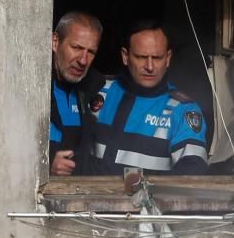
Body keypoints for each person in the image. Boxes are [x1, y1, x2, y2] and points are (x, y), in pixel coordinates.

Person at [82, 20, 210, 176]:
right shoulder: (100, 90)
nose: (149, 67)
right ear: (125, 56)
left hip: (147, 200)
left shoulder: (182, 109)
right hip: (87, 197)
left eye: (157, 58)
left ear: (168, 58)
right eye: (141, 57)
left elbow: (193, 172)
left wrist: (144, 190)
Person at [50, 11, 104, 175]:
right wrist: (44, 165)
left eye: (91, 52)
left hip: (78, 196)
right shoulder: (27, 88)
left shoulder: (97, 90)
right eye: (76, 48)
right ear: (55, 42)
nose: (83, 60)